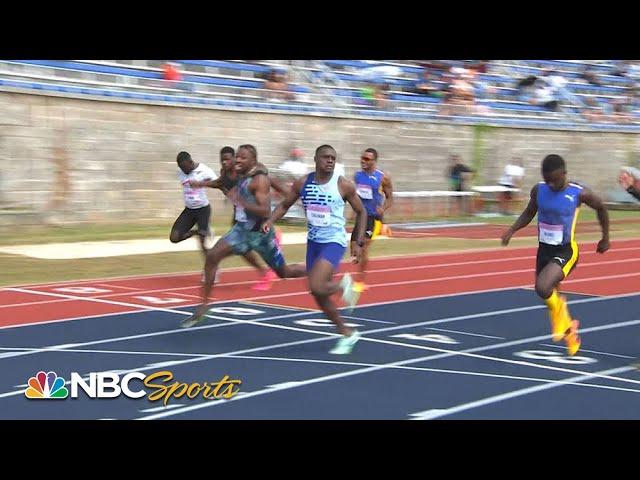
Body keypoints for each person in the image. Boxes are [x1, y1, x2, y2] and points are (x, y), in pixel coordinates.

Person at [181, 145, 307, 328]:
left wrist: (240, 200)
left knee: (284, 273)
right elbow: (220, 183)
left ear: (253, 161)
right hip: (241, 231)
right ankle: (203, 307)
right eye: (237, 157)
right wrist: (200, 184)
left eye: (242, 158)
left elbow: (264, 210)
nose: (238, 161)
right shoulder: (233, 173)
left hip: (261, 234)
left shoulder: (259, 180)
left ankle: (315, 270)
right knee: (212, 256)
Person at [501, 154, 610, 356]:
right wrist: (512, 230)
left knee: (542, 287)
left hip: (566, 250)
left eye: (555, 180)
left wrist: (605, 238)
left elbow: (601, 208)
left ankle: (564, 319)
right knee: (549, 296)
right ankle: (570, 333)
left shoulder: (579, 193)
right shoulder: (539, 190)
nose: (552, 184)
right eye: (548, 180)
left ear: (564, 174)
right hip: (544, 249)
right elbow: (529, 212)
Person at [265, 144, 368, 355]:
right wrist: (269, 221)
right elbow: (285, 205)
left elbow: (362, 211)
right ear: (316, 159)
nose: (330, 161)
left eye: (333, 157)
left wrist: (357, 241)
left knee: (317, 284)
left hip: (333, 242)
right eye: (326, 157)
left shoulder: (342, 185)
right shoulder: (304, 182)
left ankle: (343, 286)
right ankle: (348, 334)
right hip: (313, 242)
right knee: (318, 294)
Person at [190, 146, 287, 291]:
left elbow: (267, 179)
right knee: (241, 249)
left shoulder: (249, 172)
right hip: (240, 216)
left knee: (244, 248)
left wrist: (287, 193)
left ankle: (267, 264)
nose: (225, 162)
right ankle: (264, 269)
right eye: (222, 160)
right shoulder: (225, 173)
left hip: (253, 216)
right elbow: (219, 183)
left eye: (228, 159)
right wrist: (201, 184)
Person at [351, 148, 393, 286]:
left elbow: (390, 198)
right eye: (362, 158)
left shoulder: (382, 178)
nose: (363, 161)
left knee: (363, 247)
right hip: (361, 216)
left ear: (374, 161)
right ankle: (358, 260)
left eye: (367, 159)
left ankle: (360, 280)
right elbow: (356, 195)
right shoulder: (357, 176)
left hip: (374, 218)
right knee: (353, 248)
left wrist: (383, 208)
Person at [170, 151, 217, 260]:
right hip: (189, 210)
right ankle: (199, 231)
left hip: (203, 210)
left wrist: (202, 184)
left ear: (191, 162)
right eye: (181, 168)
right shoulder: (180, 172)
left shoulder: (204, 170)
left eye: (185, 168)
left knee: (202, 244)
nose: (183, 171)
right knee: (174, 237)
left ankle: (211, 269)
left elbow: (218, 183)